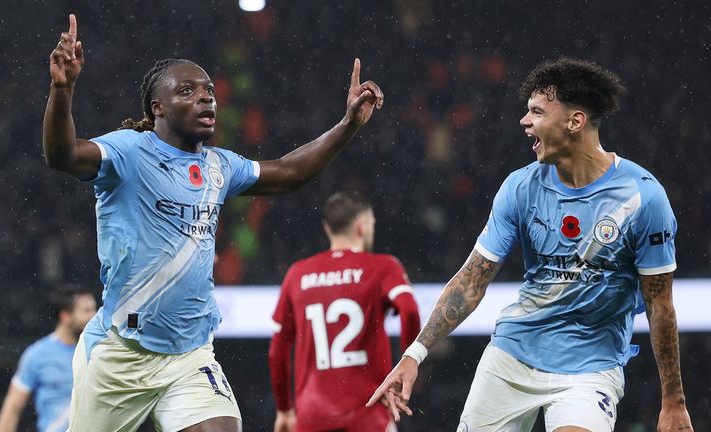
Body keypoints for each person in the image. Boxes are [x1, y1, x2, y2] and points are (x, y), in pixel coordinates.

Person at [45, 13, 383, 432]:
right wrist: (63, 89)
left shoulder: (220, 166)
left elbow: (289, 173)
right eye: (187, 91)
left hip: (190, 356)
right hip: (120, 357)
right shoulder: (131, 151)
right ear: (158, 107)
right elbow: (62, 155)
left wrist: (349, 124)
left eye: (208, 90)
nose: (206, 98)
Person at [368, 58, 694, 432]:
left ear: (575, 122)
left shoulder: (644, 197)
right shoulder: (520, 187)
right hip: (512, 358)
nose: (524, 122)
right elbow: (471, 281)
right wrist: (414, 354)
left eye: (537, 112)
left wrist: (674, 401)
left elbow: (660, 305)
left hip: (589, 371)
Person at [268, 192, 421, 432]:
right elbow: (410, 311)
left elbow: (277, 351)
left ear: (328, 228)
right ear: (362, 227)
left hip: (312, 416)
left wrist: (284, 410)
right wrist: (409, 360)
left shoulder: (297, 274)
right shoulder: (382, 266)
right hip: (368, 415)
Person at [0, 286, 97, 432]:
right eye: (86, 311)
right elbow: (12, 409)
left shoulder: (100, 352)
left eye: (94, 309)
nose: (94, 316)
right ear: (65, 316)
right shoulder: (37, 355)